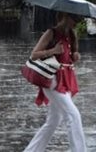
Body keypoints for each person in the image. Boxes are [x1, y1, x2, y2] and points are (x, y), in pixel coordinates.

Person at [24, 12, 86, 152]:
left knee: (53, 121)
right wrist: (53, 50)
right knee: (73, 115)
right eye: (74, 18)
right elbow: (34, 55)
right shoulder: (51, 33)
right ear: (65, 17)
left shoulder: (71, 34)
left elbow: (69, 57)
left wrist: (75, 56)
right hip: (52, 79)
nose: (76, 22)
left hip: (66, 79)